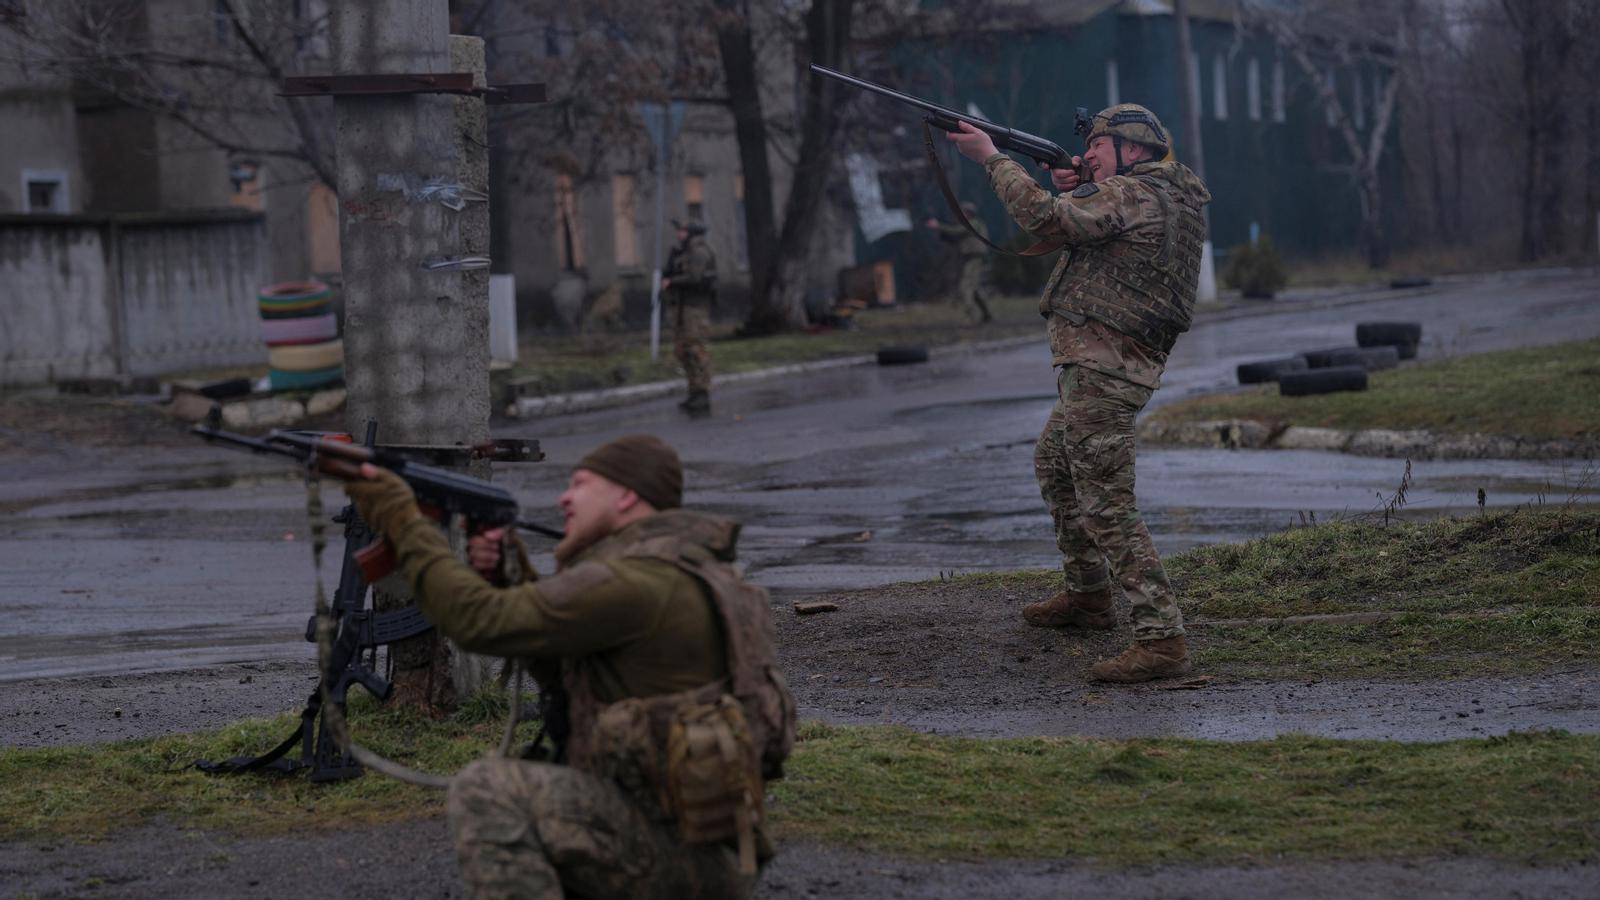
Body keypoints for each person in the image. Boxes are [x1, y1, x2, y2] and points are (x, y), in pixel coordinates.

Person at [344, 434, 795, 899]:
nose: (564, 497)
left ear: (626, 496)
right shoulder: (689, 572)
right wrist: (510, 581)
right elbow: (567, 678)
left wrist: (405, 521)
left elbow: (476, 622)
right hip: (707, 843)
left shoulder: (632, 581)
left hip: (678, 853)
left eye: (580, 484)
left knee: (490, 790)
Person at [943, 104, 1211, 683]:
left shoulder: (1132, 193)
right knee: (1056, 465)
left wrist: (991, 159)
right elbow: (1085, 224)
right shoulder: (1157, 195)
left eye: (1098, 147)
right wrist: (1082, 184)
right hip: (1107, 365)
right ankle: (1089, 596)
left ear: (1132, 150)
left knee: (1107, 502)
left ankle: (1162, 639)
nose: (1087, 155)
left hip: (1104, 369)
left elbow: (1044, 218)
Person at [663, 218, 718, 414]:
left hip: (695, 308)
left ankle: (702, 392)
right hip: (682, 307)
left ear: (692, 233)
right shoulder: (684, 252)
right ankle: (694, 391)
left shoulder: (699, 252)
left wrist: (672, 282)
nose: (679, 234)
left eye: (682, 231)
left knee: (695, 349)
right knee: (682, 350)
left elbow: (695, 278)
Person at [924, 200, 994, 323]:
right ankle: (986, 315)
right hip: (970, 258)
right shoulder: (970, 225)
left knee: (965, 286)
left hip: (975, 258)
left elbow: (957, 231)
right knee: (974, 288)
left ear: (969, 213)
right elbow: (955, 238)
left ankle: (971, 317)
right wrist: (941, 231)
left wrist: (939, 226)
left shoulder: (973, 223)